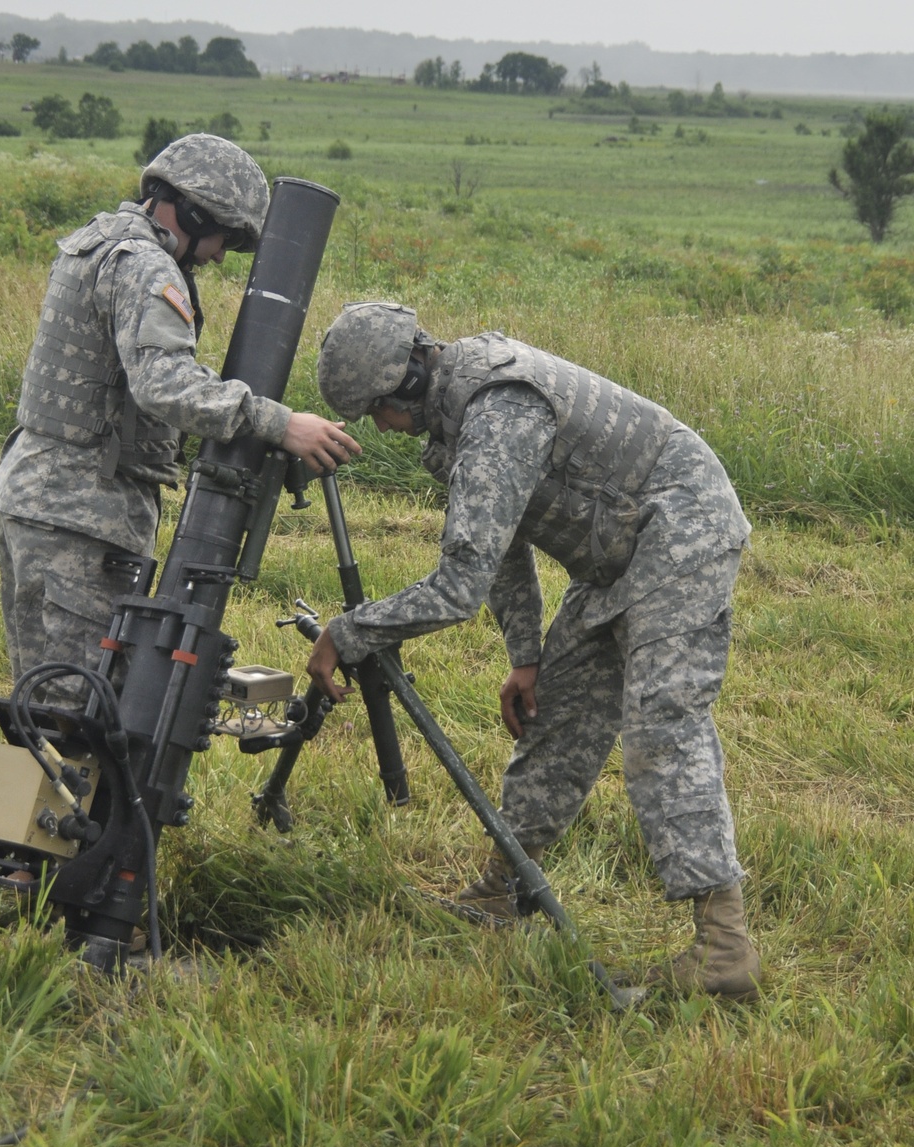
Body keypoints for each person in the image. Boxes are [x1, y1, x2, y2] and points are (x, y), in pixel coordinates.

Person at [309, 301, 761, 1000]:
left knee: (662, 725)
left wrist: (351, 631)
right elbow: (503, 543)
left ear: (406, 381)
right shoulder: (459, 415)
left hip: (680, 526)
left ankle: (724, 948)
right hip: (617, 553)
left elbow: (459, 586)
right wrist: (526, 656)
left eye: (377, 410)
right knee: (559, 716)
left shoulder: (498, 410)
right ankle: (501, 891)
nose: (382, 428)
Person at [0, 133, 359, 706]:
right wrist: (278, 422)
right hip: (82, 518)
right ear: (191, 211)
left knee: (43, 707)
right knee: (85, 713)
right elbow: (163, 385)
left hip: (33, 499)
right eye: (224, 238)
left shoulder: (99, 242)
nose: (217, 255)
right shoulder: (145, 267)